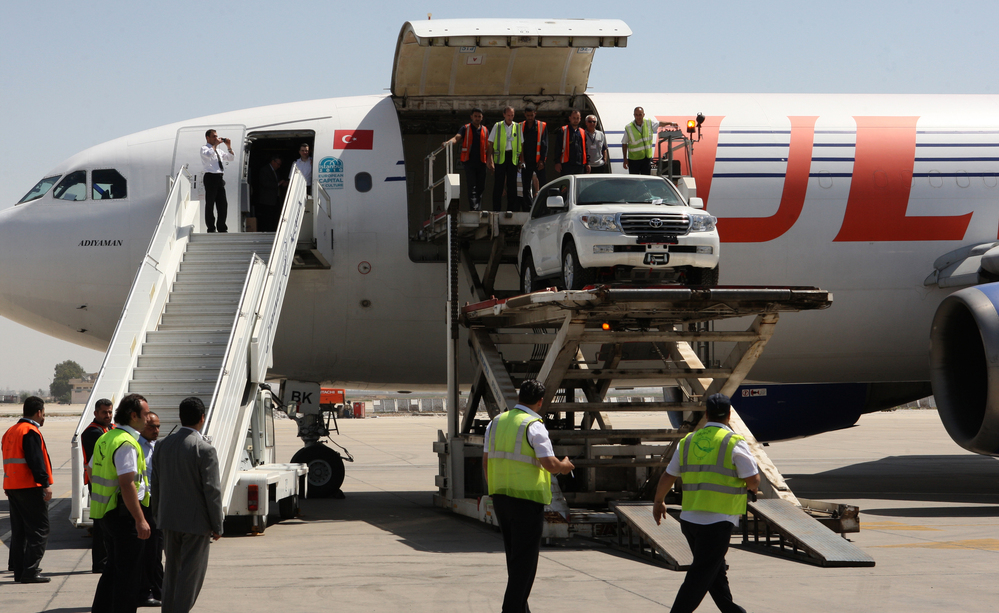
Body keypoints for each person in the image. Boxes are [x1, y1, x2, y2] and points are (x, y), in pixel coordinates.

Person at [652, 393, 760, 613]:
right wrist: (750, 487)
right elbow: (753, 479)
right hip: (717, 521)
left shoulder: (688, 441)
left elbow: (668, 476)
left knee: (715, 571)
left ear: (706, 414)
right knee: (701, 575)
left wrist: (658, 502)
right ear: (729, 415)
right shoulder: (733, 442)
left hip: (690, 521)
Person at [483, 380, 574, 613]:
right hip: (527, 502)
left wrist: (492, 488)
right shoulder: (533, 425)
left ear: (519, 396)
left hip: (501, 499)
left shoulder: (495, 423)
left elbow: (486, 461)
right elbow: (549, 463)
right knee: (525, 565)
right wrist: (564, 465)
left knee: (514, 560)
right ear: (540, 401)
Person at [152, 397, 223, 613]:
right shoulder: (204, 449)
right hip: (196, 524)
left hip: (168, 521)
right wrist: (217, 525)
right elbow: (212, 491)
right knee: (190, 578)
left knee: (172, 574)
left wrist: (158, 517)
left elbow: (156, 485)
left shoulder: (162, 445)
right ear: (202, 418)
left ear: (180, 417)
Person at [91, 393, 153, 613]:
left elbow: (89, 470)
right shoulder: (126, 443)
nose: (148, 418)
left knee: (113, 571)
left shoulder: (106, 437)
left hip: (106, 513)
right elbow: (127, 484)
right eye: (145, 414)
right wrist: (140, 519)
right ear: (134, 415)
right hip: (124, 516)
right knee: (129, 577)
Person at [2, 396, 53, 583]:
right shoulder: (30, 431)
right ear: (38, 413)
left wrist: (7, 484)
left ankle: (20, 571)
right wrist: (45, 484)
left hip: (13, 486)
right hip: (29, 486)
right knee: (40, 529)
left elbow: (8, 460)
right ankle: (31, 570)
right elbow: (35, 461)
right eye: (44, 413)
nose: (43, 417)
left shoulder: (11, 431)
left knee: (20, 531)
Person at [82, 397, 114, 574]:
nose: (108, 415)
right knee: (101, 525)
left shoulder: (108, 428)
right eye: (104, 412)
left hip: (108, 484)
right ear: (96, 413)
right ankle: (100, 563)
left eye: (110, 412)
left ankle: (106, 560)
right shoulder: (93, 433)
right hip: (98, 485)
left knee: (107, 524)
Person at [137, 413, 163, 608]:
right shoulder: (135, 447)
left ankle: (160, 590)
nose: (156, 430)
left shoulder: (158, 447)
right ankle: (145, 592)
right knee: (148, 552)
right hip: (144, 505)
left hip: (158, 504)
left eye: (158, 427)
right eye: (152, 427)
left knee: (156, 551)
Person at [443, 108, 489, 211]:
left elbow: (489, 146)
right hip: (469, 162)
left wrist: (490, 160)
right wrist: (448, 143)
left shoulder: (485, 130)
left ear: (482, 118)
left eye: (479, 116)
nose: (477, 118)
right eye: (475, 116)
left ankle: (478, 207)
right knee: (472, 186)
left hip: (482, 162)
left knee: (481, 187)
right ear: (471, 117)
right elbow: (456, 138)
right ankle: (474, 209)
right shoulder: (465, 128)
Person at [488, 106, 522, 212]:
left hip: (512, 158)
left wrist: (521, 160)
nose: (510, 117)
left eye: (512, 115)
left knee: (512, 185)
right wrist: (490, 159)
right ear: (504, 115)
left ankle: (510, 210)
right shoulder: (497, 126)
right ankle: (496, 210)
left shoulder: (517, 126)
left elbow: (522, 144)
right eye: (508, 115)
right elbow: (491, 143)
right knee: (499, 184)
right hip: (500, 158)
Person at [201, 129, 235, 232]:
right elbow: (208, 154)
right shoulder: (204, 148)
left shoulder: (219, 151)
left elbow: (231, 158)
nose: (216, 138)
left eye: (217, 136)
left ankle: (222, 226)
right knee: (210, 203)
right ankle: (211, 227)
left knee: (223, 204)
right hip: (210, 177)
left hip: (219, 178)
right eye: (214, 136)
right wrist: (215, 145)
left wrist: (229, 146)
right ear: (208, 138)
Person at [518, 106, 547, 208]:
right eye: (528, 115)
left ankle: (542, 207)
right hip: (526, 160)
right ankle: (529, 207)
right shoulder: (520, 126)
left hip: (538, 160)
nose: (530, 117)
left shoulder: (541, 125)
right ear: (525, 115)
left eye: (531, 115)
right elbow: (518, 144)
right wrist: (520, 160)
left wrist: (542, 160)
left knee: (543, 185)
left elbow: (544, 144)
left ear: (535, 113)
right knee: (525, 186)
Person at [621, 106, 659, 175]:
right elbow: (624, 143)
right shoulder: (629, 127)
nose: (638, 117)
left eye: (640, 114)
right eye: (636, 115)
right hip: (634, 160)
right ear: (634, 115)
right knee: (634, 181)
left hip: (646, 159)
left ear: (643, 115)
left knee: (646, 179)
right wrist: (625, 159)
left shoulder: (648, 123)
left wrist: (671, 123)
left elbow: (659, 123)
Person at [553, 110, 589, 176]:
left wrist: (587, 163)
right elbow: (558, 147)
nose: (575, 120)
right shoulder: (563, 130)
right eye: (574, 118)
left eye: (577, 118)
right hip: (567, 164)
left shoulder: (582, 132)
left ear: (580, 119)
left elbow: (585, 148)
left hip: (580, 165)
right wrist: (557, 162)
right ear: (570, 118)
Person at [256, 156, 286, 232]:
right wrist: (278, 184)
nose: (279, 166)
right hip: (267, 200)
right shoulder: (264, 170)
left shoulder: (276, 172)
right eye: (278, 164)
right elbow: (264, 183)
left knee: (274, 216)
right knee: (267, 217)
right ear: (273, 162)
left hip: (275, 199)